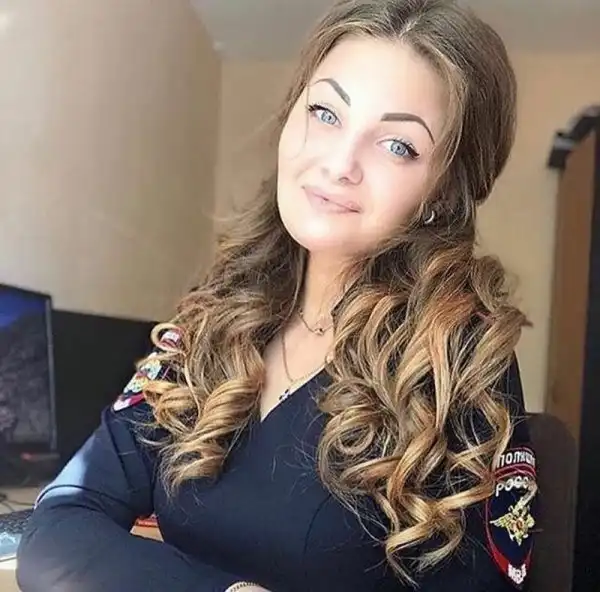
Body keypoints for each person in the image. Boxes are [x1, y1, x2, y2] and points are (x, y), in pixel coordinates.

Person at [16, 0, 539, 590]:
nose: (339, 163)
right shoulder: (213, 318)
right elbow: (59, 525)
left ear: (441, 193)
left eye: (398, 145)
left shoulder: (456, 360)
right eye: (325, 112)